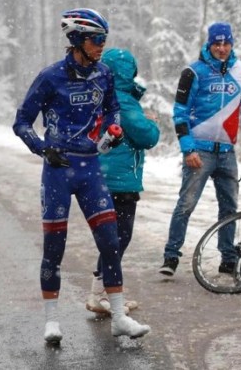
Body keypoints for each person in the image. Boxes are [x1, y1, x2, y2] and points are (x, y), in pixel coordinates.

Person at [12, 8, 150, 343]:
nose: (102, 45)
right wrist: (42, 148)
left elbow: (112, 108)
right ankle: (51, 322)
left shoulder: (103, 74)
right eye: (96, 39)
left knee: (111, 243)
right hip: (58, 170)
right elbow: (21, 122)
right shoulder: (51, 77)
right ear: (76, 39)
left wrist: (112, 129)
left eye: (104, 39)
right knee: (54, 247)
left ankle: (118, 317)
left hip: (90, 169)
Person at [159, 22, 241, 276]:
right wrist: (188, 149)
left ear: (232, 44)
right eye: (217, 43)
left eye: (226, 43)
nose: (222, 48)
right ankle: (171, 257)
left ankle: (228, 259)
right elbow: (180, 113)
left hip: (227, 152)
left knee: (229, 208)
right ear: (209, 43)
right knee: (186, 204)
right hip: (199, 153)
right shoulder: (193, 72)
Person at [85, 48, 160, 315]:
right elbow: (145, 136)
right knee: (118, 238)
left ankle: (103, 292)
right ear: (127, 73)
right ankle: (101, 293)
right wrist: (153, 124)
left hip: (105, 178)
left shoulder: (103, 95)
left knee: (112, 238)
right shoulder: (123, 101)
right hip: (119, 182)